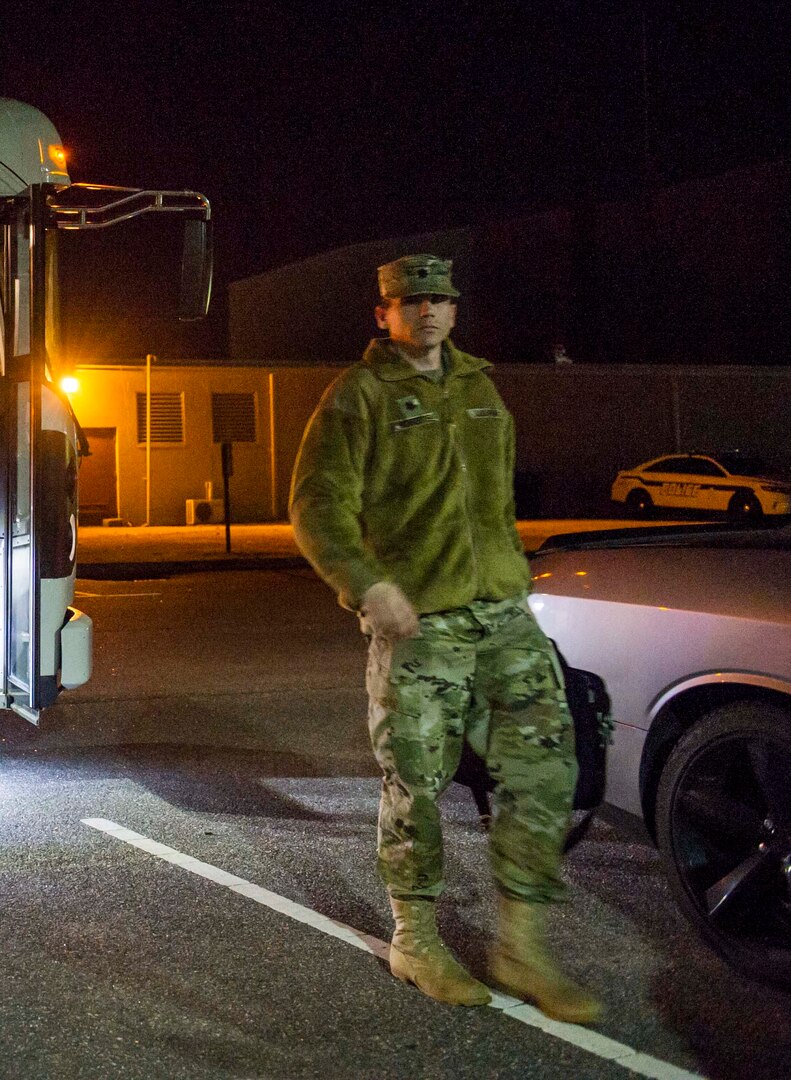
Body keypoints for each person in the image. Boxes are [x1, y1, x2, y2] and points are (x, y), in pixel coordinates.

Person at [288, 255, 601, 1024]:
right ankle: (415, 940)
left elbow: (492, 501)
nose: (424, 311)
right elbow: (316, 508)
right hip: (420, 623)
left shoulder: (479, 388)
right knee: (416, 782)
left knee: (544, 769)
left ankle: (520, 946)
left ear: (454, 311)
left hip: (501, 612)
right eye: (408, 301)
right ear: (382, 314)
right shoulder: (357, 397)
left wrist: (512, 574)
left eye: (437, 299)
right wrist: (368, 586)